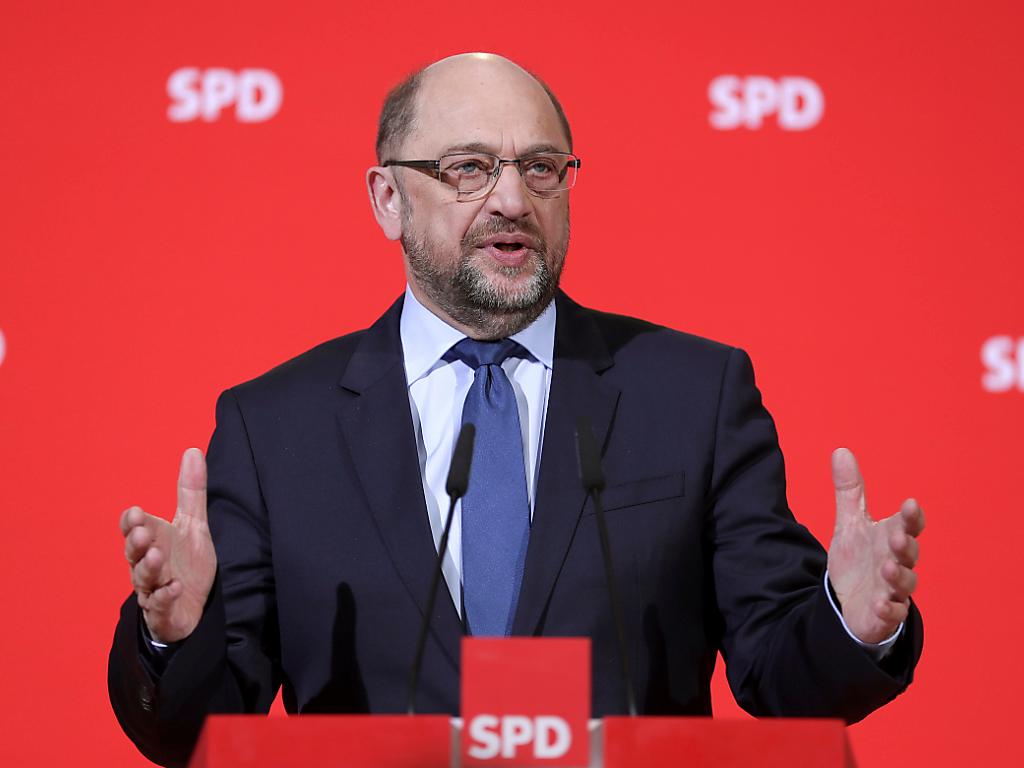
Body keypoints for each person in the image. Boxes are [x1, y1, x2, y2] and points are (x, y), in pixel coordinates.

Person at [109, 53, 925, 767]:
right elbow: (196, 730)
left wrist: (851, 623)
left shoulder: (693, 395)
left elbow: (784, 677)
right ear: (388, 199)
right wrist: (175, 637)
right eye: (468, 167)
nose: (512, 199)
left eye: (540, 168)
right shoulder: (275, 429)